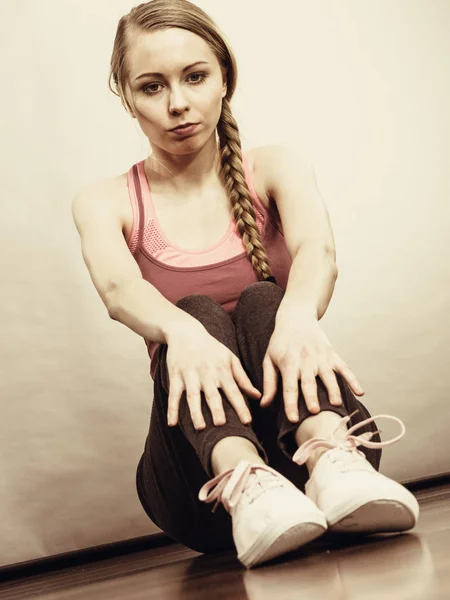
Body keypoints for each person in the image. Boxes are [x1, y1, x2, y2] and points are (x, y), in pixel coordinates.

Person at [72, 0, 420, 570]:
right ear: (127, 97)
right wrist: (181, 332)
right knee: (196, 312)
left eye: (195, 77)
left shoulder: (276, 167)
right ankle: (242, 475)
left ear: (224, 78)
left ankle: (336, 460)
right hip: (202, 495)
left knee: (267, 301)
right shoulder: (105, 200)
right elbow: (118, 290)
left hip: (311, 464)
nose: (178, 103)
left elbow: (318, 251)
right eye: (152, 87)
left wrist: (298, 317)